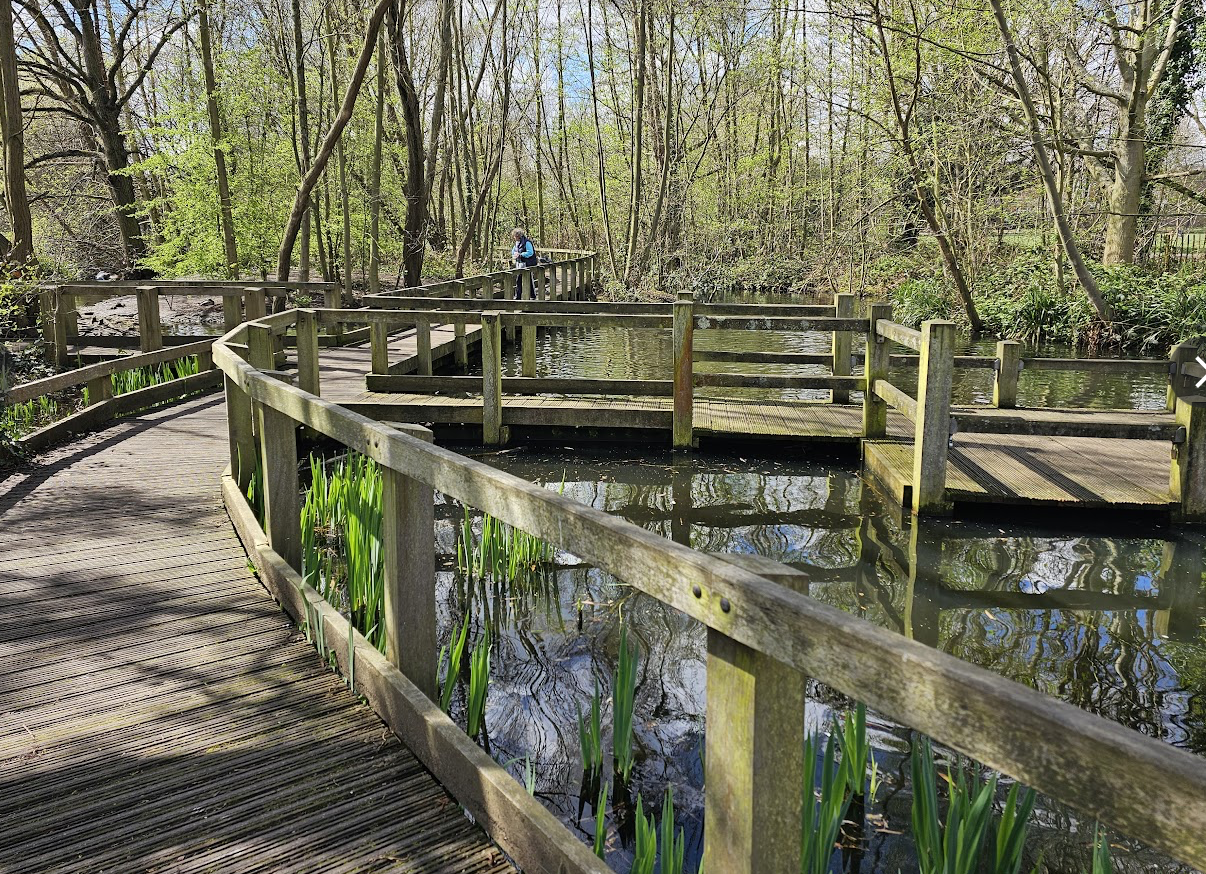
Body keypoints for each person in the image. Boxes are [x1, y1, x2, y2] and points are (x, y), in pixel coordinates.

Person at [511, 227, 538, 298]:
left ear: (518, 236)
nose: (514, 237)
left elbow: (530, 252)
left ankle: (532, 295)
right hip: (520, 264)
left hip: (527, 264)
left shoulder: (527, 242)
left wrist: (521, 254)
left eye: (515, 236)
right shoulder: (517, 243)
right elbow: (513, 251)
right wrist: (514, 254)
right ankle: (518, 296)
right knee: (518, 280)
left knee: (529, 280)